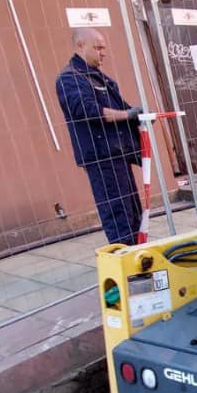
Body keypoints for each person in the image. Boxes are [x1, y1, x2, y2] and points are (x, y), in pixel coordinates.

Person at [55, 28, 143, 245]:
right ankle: (125, 257)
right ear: (80, 46)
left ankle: (138, 255)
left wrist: (138, 114)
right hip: (102, 157)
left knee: (132, 209)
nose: (103, 52)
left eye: (104, 47)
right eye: (98, 47)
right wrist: (127, 114)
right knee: (117, 212)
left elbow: (118, 106)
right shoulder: (69, 78)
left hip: (118, 153)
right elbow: (87, 110)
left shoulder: (98, 77)